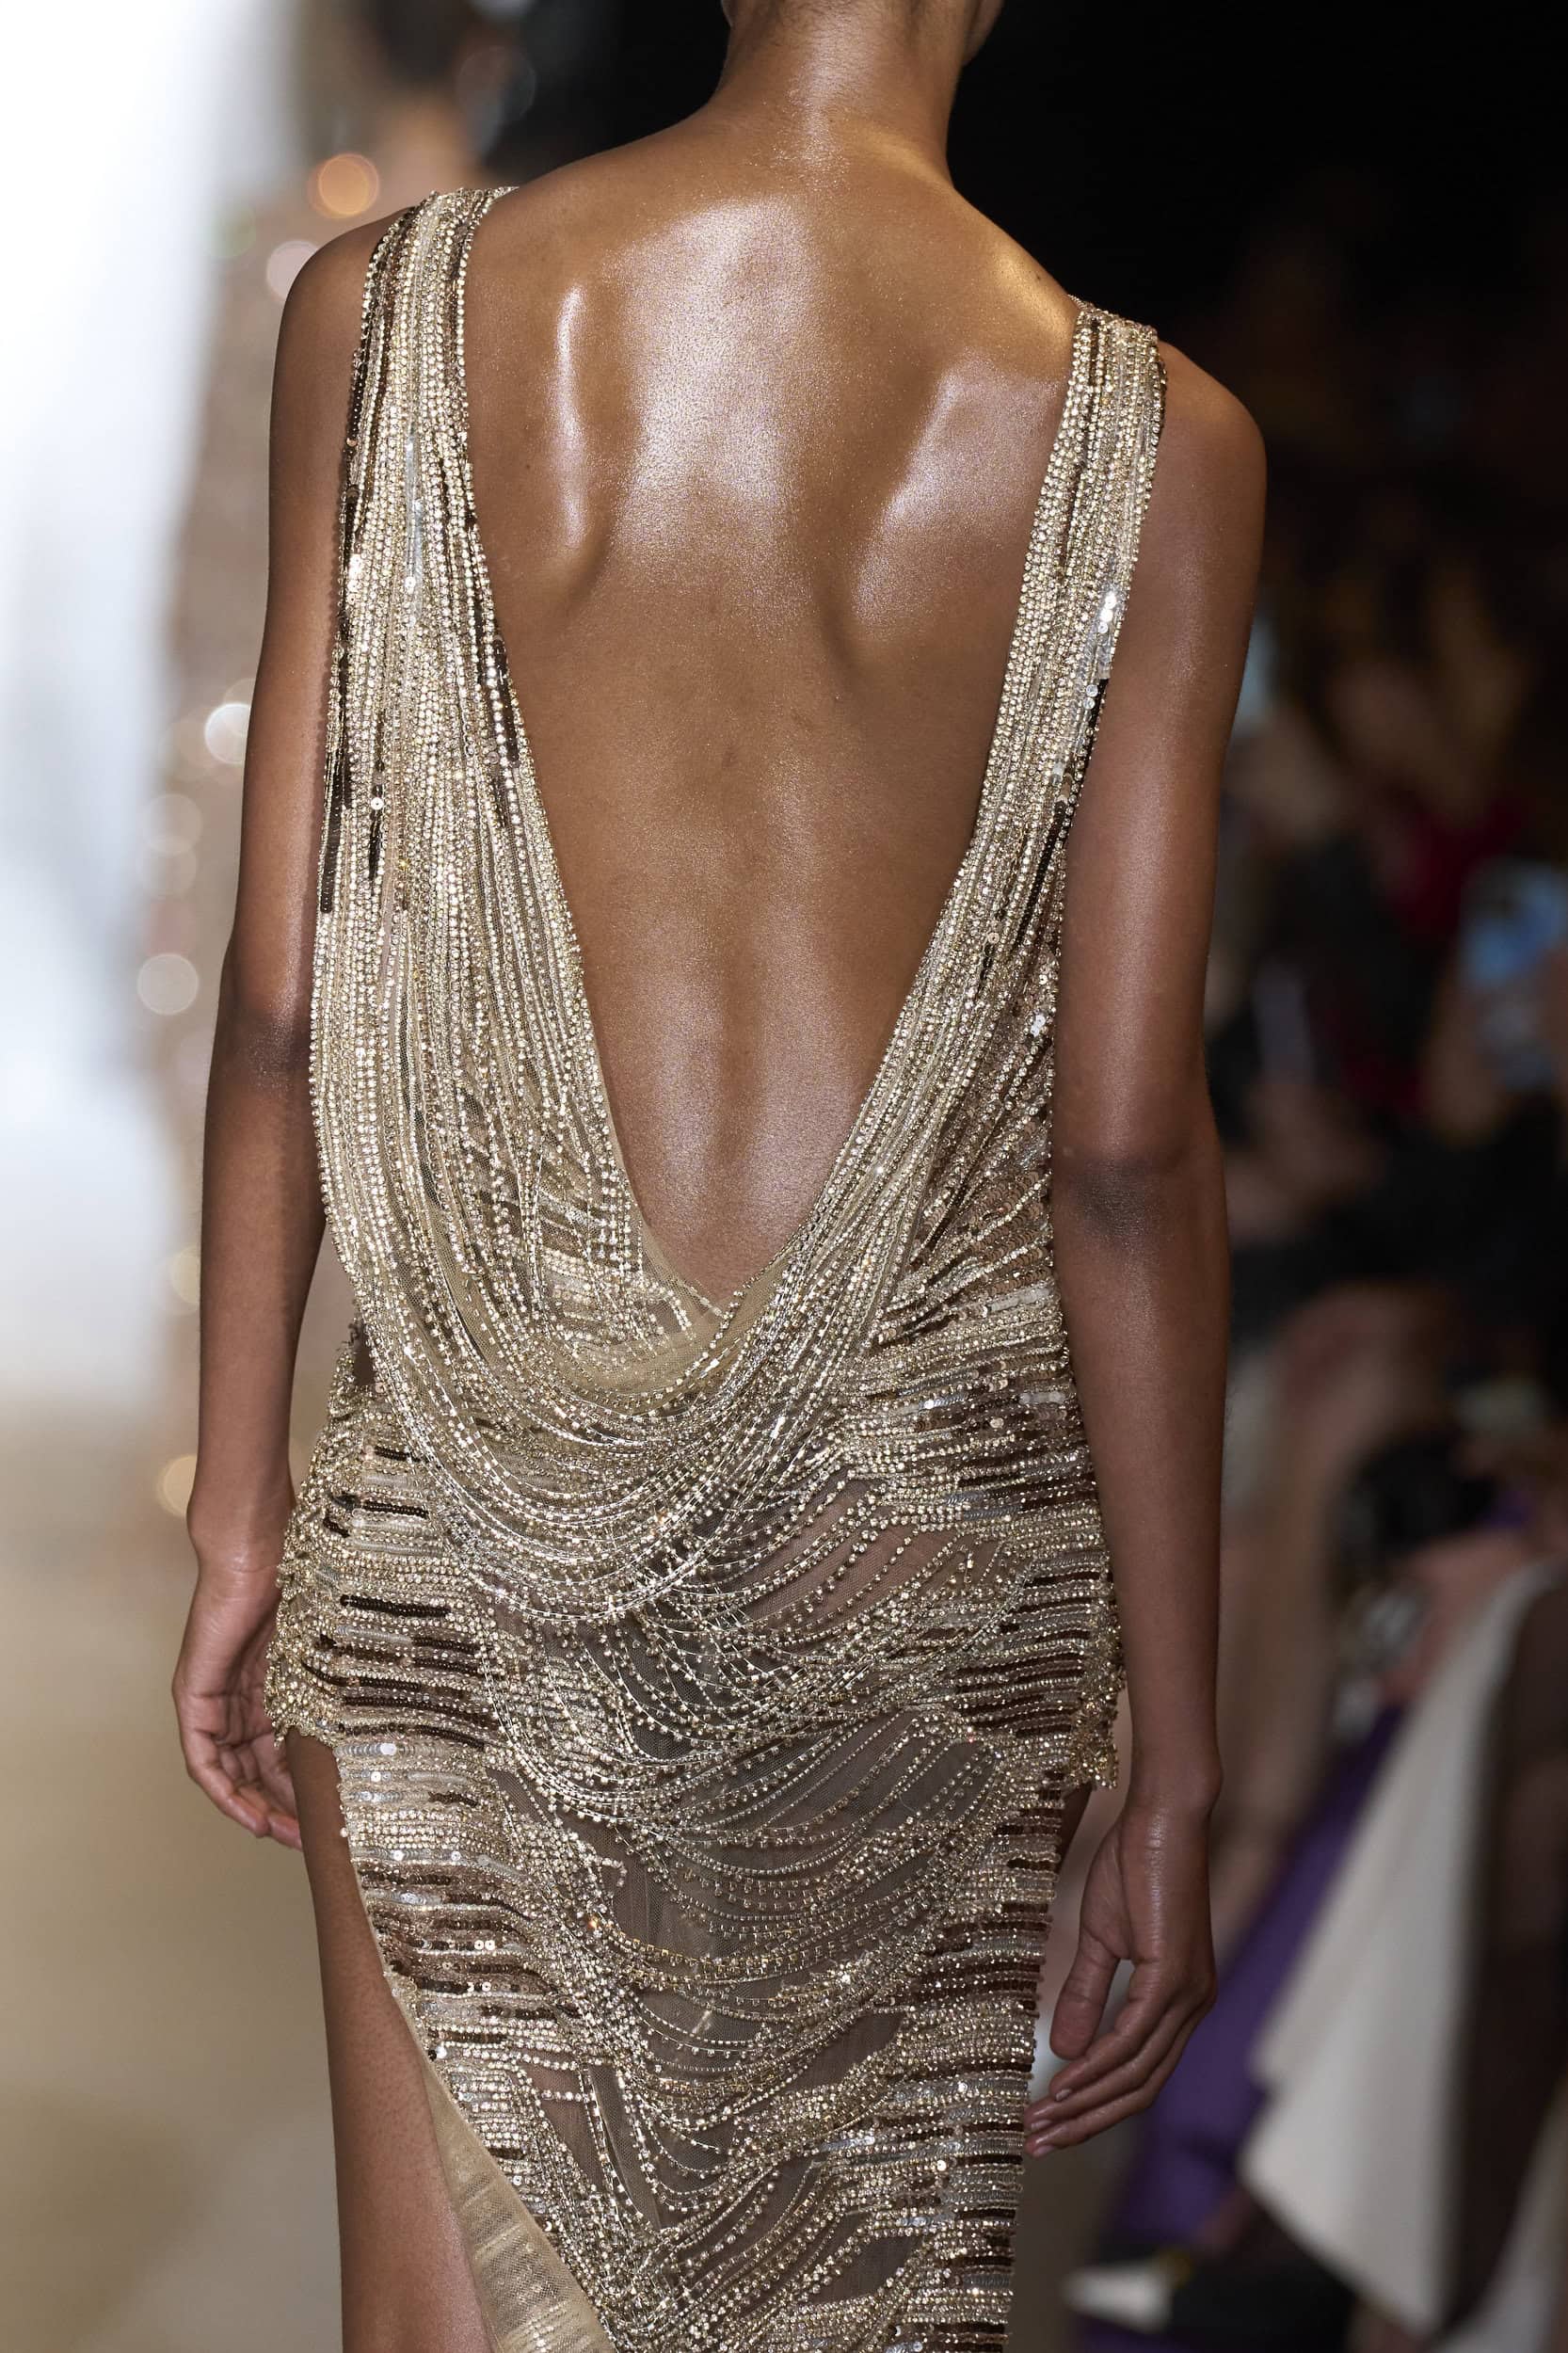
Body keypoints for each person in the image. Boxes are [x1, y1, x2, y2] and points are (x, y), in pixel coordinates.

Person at [172, 0, 1262, 2343]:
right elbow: (1122, 1155)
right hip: (914, 1541)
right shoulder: (1149, 445)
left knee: (448, 2316)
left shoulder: (395, 318)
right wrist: (1179, 1754)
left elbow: (284, 994)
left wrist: (240, 1507)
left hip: (472, 1497)